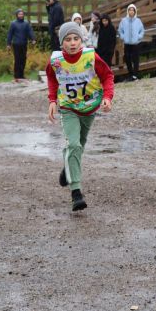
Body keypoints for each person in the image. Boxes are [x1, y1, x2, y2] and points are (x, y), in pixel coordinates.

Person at [46, 22, 114, 211]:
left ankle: (67, 168)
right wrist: (52, 100)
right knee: (73, 144)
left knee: (79, 145)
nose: (73, 43)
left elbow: (107, 76)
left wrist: (108, 97)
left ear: (81, 40)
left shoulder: (91, 56)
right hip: (68, 108)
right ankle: (76, 192)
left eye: (76, 39)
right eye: (68, 40)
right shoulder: (56, 60)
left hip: (90, 106)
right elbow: (52, 78)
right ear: (62, 43)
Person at [6, 8, 36, 82]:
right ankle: (16, 76)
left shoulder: (26, 23)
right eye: (19, 14)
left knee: (23, 59)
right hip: (16, 44)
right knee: (17, 59)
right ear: (17, 15)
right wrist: (8, 44)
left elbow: (30, 32)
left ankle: (21, 75)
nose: (21, 15)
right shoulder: (13, 23)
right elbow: (10, 34)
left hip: (24, 44)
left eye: (22, 14)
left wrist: (33, 39)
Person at [118, 4, 144, 80]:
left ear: (135, 11)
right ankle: (130, 74)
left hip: (136, 44)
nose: (131, 11)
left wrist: (138, 37)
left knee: (135, 59)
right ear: (128, 11)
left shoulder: (138, 21)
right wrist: (123, 37)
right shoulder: (123, 20)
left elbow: (142, 31)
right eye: (130, 10)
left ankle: (135, 75)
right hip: (127, 43)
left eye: (133, 10)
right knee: (127, 59)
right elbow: (120, 30)